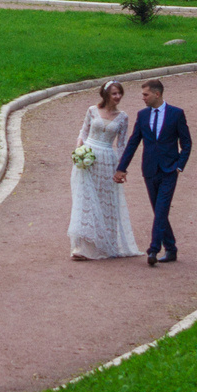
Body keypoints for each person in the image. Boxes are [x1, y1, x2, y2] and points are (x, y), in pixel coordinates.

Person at [114, 76, 192, 266]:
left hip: (169, 170)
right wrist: (122, 168)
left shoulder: (176, 114)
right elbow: (133, 143)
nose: (143, 98)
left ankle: (154, 249)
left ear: (157, 94)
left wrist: (179, 166)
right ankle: (171, 249)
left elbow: (187, 143)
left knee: (161, 209)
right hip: (149, 169)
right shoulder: (143, 115)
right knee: (159, 211)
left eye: (145, 94)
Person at [67, 82, 140, 260]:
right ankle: (82, 248)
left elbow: (122, 144)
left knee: (105, 200)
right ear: (106, 95)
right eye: (114, 94)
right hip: (89, 157)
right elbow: (83, 132)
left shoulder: (122, 117)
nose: (117, 97)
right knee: (86, 199)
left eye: (119, 94)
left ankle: (106, 243)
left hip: (108, 159)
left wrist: (122, 168)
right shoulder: (92, 110)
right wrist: (79, 150)